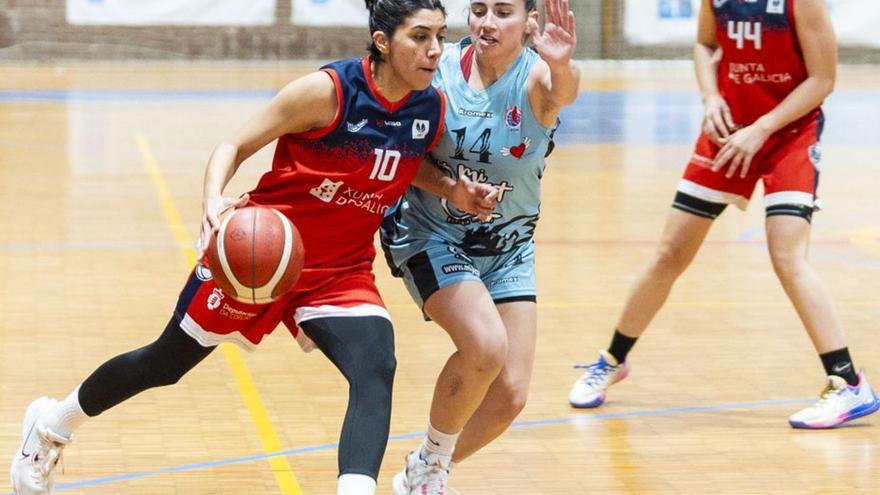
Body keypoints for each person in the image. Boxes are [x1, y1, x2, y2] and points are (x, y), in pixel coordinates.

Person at [8, 2, 500, 494]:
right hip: (263, 256)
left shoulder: (426, 106)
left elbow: (398, 160)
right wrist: (212, 200)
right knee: (165, 364)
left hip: (340, 270)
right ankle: (51, 425)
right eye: (420, 37)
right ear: (382, 42)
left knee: (376, 367)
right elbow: (233, 145)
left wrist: (453, 189)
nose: (435, 50)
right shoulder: (326, 92)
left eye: (440, 35)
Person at [568, 0, 879, 429]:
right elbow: (703, 44)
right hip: (729, 130)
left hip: (787, 133)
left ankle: (847, 383)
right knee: (669, 255)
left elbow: (823, 80)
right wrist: (710, 95)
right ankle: (612, 360)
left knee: (787, 256)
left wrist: (763, 128)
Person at [380, 0, 579, 492]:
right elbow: (402, 153)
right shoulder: (439, 71)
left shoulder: (536, 78)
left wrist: (561, 63)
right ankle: (430, 470)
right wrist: (450, 189)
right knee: (486, 347)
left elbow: (563, 94)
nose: (488, 22)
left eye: (504, 12)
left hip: (510, 245)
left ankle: (426, 466)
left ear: (530, 23)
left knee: (510, 393)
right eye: (479, 9)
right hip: (432, 232)